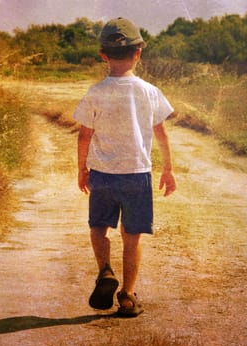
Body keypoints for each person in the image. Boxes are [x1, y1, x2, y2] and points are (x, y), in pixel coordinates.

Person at [74, 17, 176, 318]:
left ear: (103, 55)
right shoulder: (149, 91)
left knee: (98, 227)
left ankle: (105, 270)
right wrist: (168, 169)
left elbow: (84, 134)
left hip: (104, 175)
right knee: (132, 237)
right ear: (138, 53)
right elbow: (161, 133)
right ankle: (128, 296)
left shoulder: (95, 92)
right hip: (137, 175)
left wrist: (82, 169)